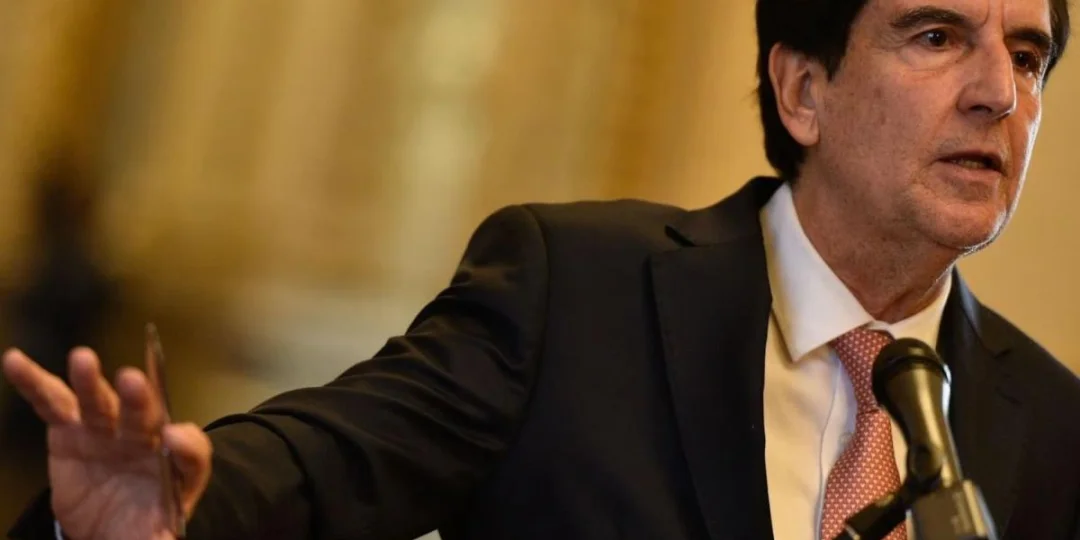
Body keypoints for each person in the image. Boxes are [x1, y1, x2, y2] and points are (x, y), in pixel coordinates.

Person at [4, 0, 1079, 538]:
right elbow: (328, 461)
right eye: (936, 37)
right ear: (804, 90)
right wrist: (160, 518)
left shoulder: (1058, 435)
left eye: (1028, 57)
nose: (1000, 94)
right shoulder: (581, 291)